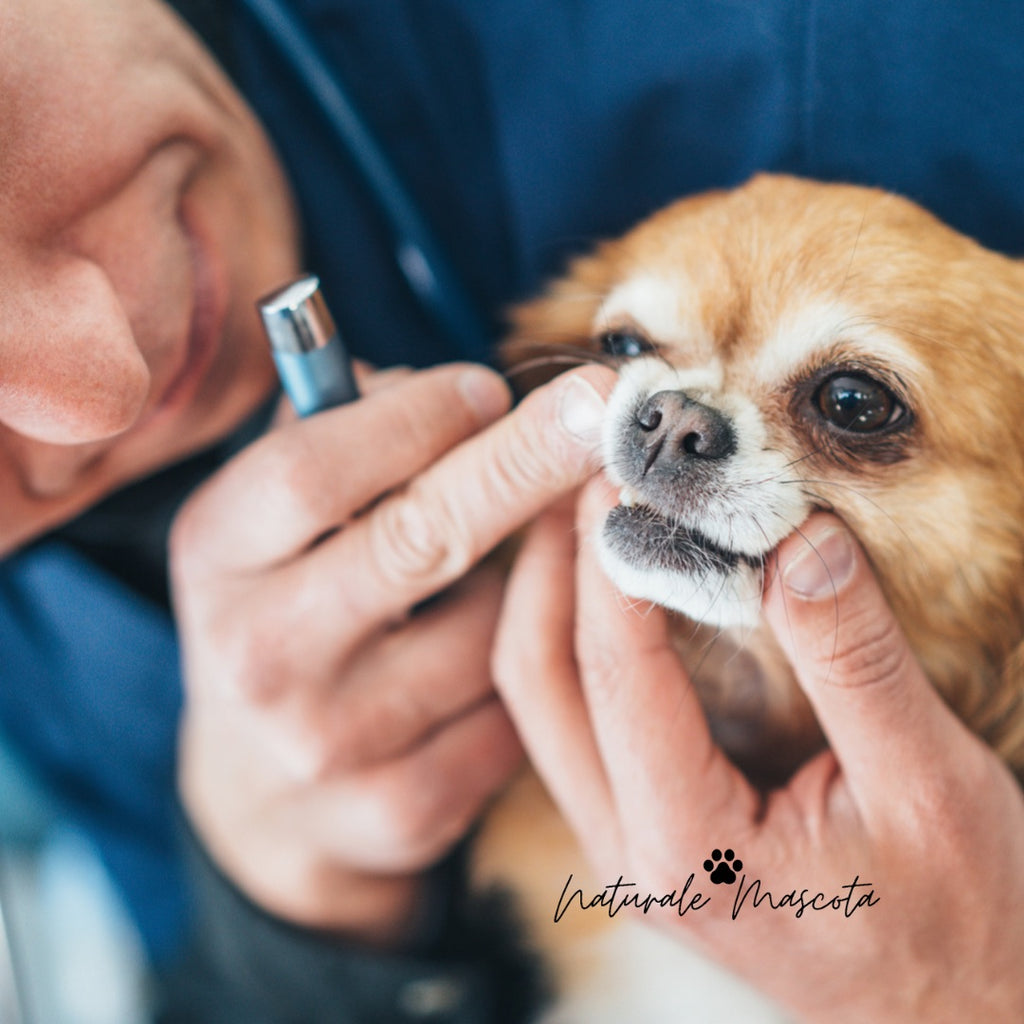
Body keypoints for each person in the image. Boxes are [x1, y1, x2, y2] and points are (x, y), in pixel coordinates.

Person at [0, 0, 1021, 1021]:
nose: (105, 385)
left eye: (851, 407)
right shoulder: (34, 645)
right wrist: (285, 921)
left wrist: (983, 982)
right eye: (627, 351)